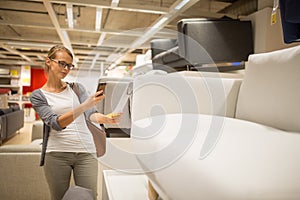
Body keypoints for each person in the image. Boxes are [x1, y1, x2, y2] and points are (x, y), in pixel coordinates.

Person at [30, 45, 121, 200]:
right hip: (57, 154)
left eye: (69, 66)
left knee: (89, 196)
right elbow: (56, 124)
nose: (66, 69)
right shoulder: (38, 96)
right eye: (62, 63)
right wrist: (85, 105)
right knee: (59, 197)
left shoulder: (77, 88)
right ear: (48, 62)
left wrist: (105, 118)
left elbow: (90, 115)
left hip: (86, 152)